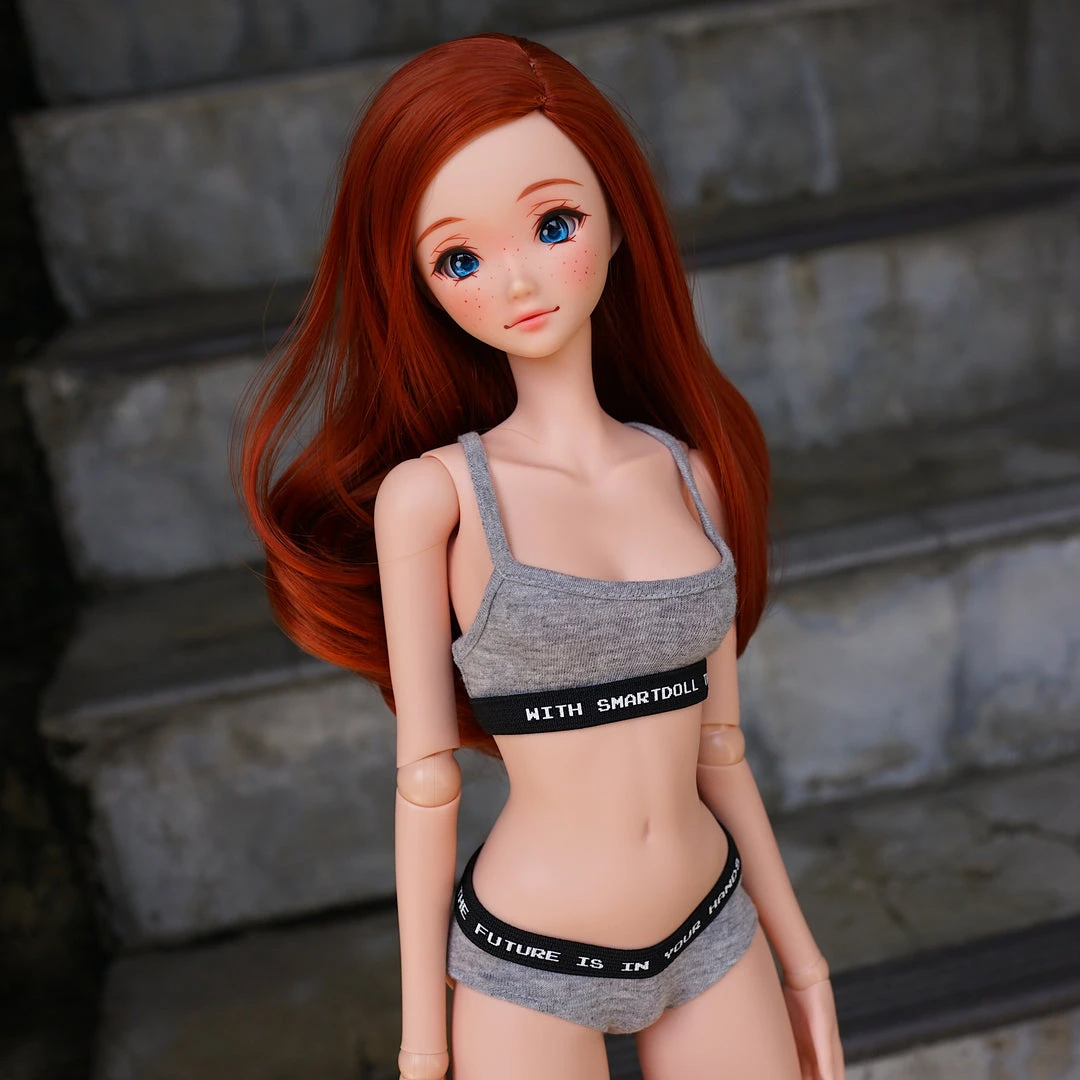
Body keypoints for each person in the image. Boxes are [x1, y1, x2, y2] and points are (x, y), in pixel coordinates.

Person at [237, 33, 843, 1080]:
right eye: (459, 259)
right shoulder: (434, 499)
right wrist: (423, 1044)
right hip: (531, 960)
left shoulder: (690, 473)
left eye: (554, 223)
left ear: (619, 221)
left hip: (715, 924)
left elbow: (721, 749)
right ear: (419, 286)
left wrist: (805, 963)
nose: (515, 280)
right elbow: (425, 785)